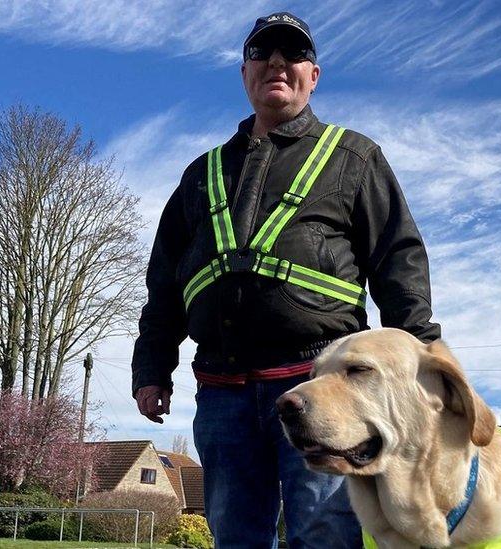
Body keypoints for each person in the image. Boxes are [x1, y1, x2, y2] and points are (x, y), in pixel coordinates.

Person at [131, 12, 440, 548]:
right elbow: (166, 281)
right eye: (263, 53)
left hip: (322, 387)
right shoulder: (200, 175)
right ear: (245, 73)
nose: (277, 62)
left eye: (292, 53)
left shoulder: (353, 158)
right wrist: (151, 366)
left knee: (326, 534)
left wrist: (424, 358)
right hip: (223, 393)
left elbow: (399, 259)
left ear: (312, 75)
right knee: (234, 534)